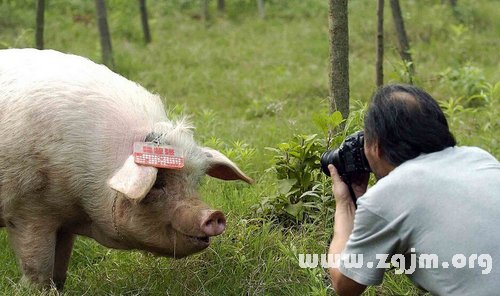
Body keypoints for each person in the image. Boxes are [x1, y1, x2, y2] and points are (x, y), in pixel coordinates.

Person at [327, 84, 500, 295]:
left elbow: (345, 285)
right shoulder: (479, 158)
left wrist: (344, 204)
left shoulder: (387, 195)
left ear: (376, 147)